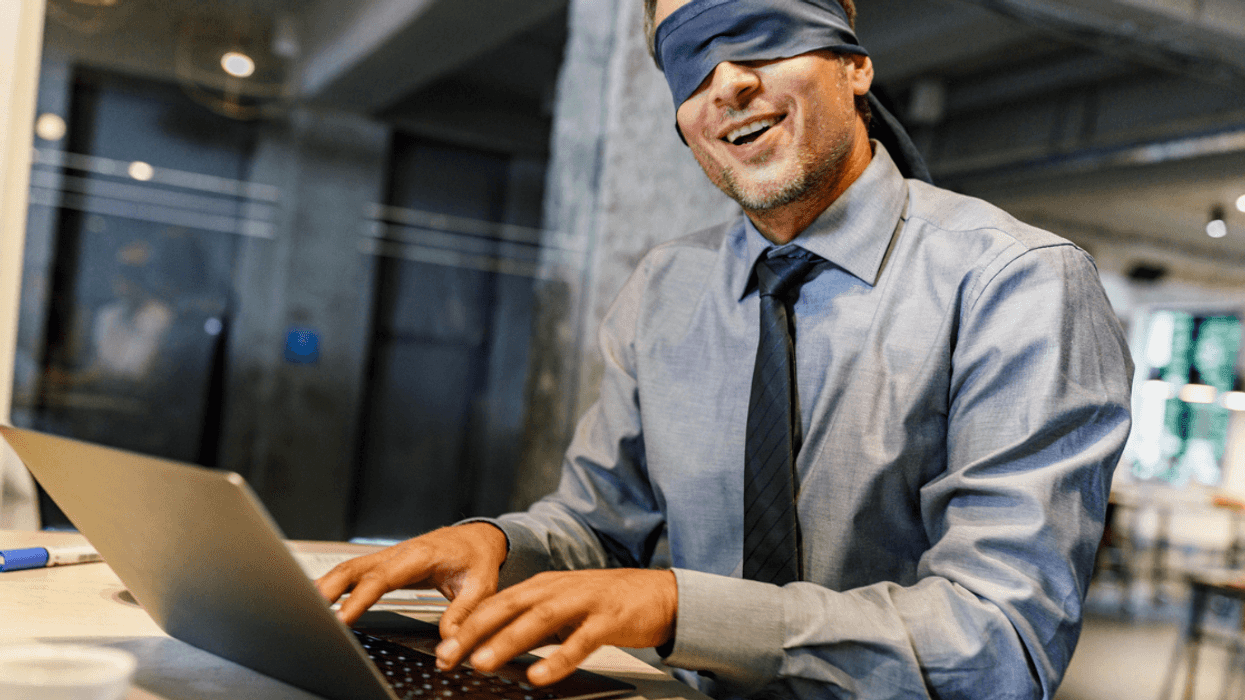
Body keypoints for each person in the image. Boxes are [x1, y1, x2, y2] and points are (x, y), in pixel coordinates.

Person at [317, 0, 1134, 697]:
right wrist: (497, 543)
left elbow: (1001, 643)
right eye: (690, 58)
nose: (729, 80)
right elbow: (601, 527)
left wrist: (682, 609)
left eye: (760, 31)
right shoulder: (666, 288)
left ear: (854, 66)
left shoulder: (1018, 286)